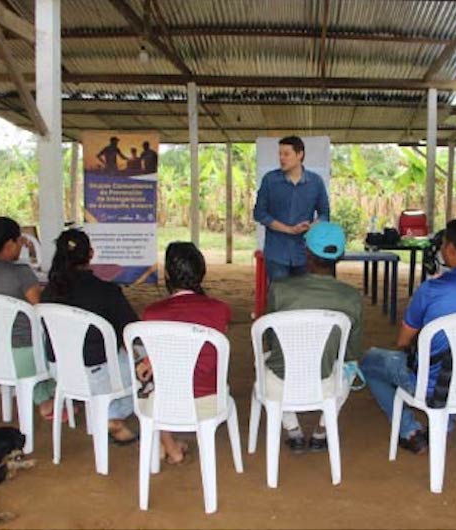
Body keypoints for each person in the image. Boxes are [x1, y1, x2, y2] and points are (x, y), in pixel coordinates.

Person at [360, 218, 456, 454]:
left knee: (370, 361)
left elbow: (402, 341)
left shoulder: (432, 289)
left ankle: (409, 430)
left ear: (451, 249)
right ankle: (446, 421)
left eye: (443, 245)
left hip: (432, 384)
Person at [264, 222, 363, 453]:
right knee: (350, 366)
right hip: (326, 382)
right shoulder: (351, 297)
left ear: (307, 253)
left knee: (267, 361)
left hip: (281, 380)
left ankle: (293, 431)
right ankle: (322, 431)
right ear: (340, 256)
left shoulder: (279, 289)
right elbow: (351, 353)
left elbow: (270, 338)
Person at [137, 242, 232, 464]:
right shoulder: (220, 310)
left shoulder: (152, 314)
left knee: (147, 369)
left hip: (166, 401)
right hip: (209, 399)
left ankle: (166, 442)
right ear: (202, 273)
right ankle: (168, 444)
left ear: (167, 274)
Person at [41, 229, 138, 444]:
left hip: (61, 370)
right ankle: (111, 415)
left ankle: (106, 413)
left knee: (112, 362)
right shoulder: (107, 291)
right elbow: (132, 331)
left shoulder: (47, 293)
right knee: (139, 360)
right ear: (91, 254)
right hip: (97, 374)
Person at [0, 217, 62, 421]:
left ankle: (42, 394)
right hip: (21, 356)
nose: (22, 244)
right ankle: (45, 399)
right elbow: (41, 310)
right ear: (9, 244)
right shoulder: (21, 273)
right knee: (58, 337)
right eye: (19, 240)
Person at [253, 136, 330, 282]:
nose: (281, 158)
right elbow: (259, 213)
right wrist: (289, 229)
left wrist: (312, 226)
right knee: (279, 299)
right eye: (280, 154)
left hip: (305, 253)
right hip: (276, 253)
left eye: (286, 154)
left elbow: (325, 214)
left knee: (303, 300)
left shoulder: (315, 182)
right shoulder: (270, 180)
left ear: (299, 154)